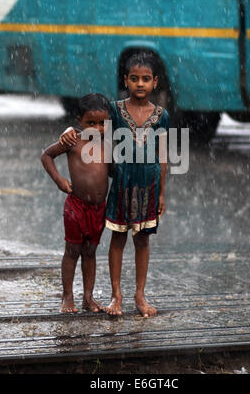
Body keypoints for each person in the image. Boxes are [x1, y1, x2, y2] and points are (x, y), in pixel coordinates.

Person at [59, 52, 169, 318]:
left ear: (155, 82)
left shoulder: (162, 116)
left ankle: (140, 295)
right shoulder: (115, 111)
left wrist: (162, 193)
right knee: (117, 239)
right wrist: (67, 132)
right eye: (134, 79)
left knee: (142, 241)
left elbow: (163, 155)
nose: (139, 84)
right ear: (125, 81)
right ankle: (116, 295)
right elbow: (90, 124)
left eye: (145, 79)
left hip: (148, 186)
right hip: (121, 184)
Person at [41, 93, 111, 314]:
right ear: (79, 120)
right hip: (77, 206)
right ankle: (67, 295)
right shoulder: (72, 141)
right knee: (72, 251)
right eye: (91, 123)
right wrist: (59, 180)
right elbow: (46, 155)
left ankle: (88, 298)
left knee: (90, 252)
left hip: (99, 209)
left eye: (102, 123)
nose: (97, 128)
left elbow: (115, 172)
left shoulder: (109, 145)